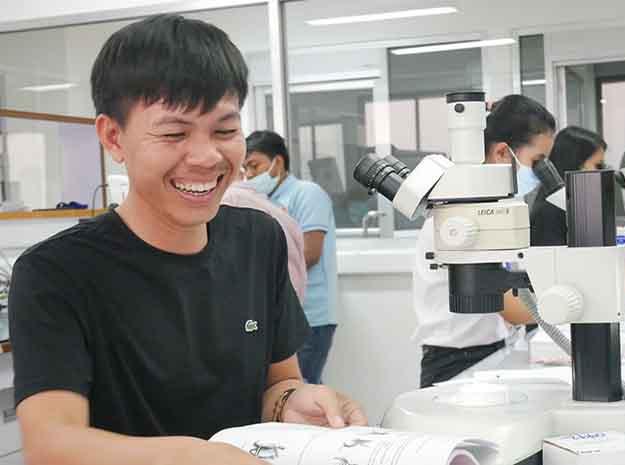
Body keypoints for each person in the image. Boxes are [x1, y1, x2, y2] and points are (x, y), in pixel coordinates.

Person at [9, 14, 365, 465]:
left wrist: (294, 402)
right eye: (174, 133)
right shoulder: (56, 273)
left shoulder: (258, 238)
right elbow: (51, 444)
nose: (207, 156)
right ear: (113, 137)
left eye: (224, 130)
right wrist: (199, 456)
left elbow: (279, 382)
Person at [414, 95, 556, 388]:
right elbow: (514, 307)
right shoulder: (458, 217)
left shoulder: (497, 210)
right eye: (537, 163)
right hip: (454, 362)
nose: (540, 174)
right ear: (504, 153)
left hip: (493, 351)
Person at [243, 130, 337, 385]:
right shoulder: (263, 199)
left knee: (302, 390)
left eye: (254, 165)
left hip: (311, 316)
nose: (249, 174)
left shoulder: (307, 193)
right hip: (278, 316)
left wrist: (258, 278)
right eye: (245, 168)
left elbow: (310, 253)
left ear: (278, 162)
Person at [531, 126, 625, 291]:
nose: (605, 172)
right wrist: (617, 284)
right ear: (574, 167)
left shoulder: (579, 210)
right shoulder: (551, 213)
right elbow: (557, 284)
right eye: (598, 165)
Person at [222, 165, 307, 303]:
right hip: (284, 302)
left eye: (253, 166)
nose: (250, 174)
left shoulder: (230, 200)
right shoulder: (266, 204)